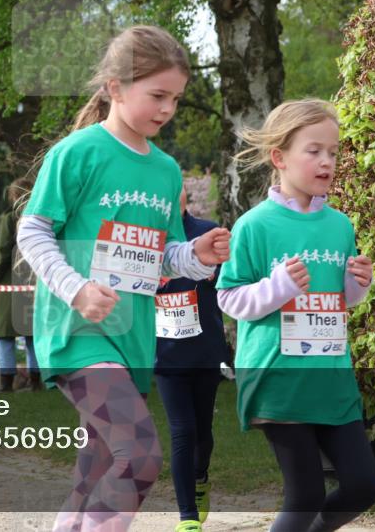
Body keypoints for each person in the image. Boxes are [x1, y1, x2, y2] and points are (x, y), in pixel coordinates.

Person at [16, 25, 231, 530]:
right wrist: (76, 290)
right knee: (138, 456)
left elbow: (164, 256)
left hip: (133, 339)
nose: (167, 109)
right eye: (157, 95)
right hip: (77, 333)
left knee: (96, 468)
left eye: (176, 99)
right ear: (115, 87)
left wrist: (197, 255)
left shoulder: (166, 171)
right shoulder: (77, 153)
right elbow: (32, 230)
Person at [216, 99, 375, 532]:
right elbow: (229, 299)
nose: (327, 161)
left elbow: (340, 300)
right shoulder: (255, 225)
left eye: (333, 152)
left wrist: (358, 284)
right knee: (305, 496)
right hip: (278, 379)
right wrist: (279, 287)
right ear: (279, 157)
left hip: (332, 378)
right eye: (314, 151)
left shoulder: (340, 225)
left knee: (364, 486)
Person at [155, 185, 231, 532]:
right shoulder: (145, 240)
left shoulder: (207, 232)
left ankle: (201, 478)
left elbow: (227, 285)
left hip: (203, 349)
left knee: (202, 433)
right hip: (164, 353)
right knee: (182, 431)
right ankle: (187, 516)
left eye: (178, 191)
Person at [0, 178, 40, 392]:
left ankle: (6, 383)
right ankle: (37, 381)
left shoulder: (9, 219)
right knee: (32, 335)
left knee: (4, 335)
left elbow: (3, 251)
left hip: (8, 282)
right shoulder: (40, 217)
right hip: (33, 281)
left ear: (13, 196)